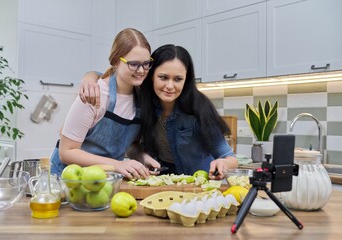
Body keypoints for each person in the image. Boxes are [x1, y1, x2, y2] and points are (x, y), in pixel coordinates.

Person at [80, 44, 238, 180]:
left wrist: (223, 164)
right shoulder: (142, 102)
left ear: (186, 80)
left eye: (178, 79)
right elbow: (132, 145)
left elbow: (230, 157)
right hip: (162, 181)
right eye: (163, 77)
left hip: (199, 185)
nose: (170, 86)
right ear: (151, 76)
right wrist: (90, 77)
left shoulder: (199, 107)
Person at [50, 28, 160, 179]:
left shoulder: (141, 99)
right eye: (133, 64)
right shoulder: (95, 93)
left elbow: (129, 145)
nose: (141, 70)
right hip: (69, 179)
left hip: (104, 180)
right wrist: (117, 165)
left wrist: (142, 158)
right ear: (116, 61)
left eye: (146, 63)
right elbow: (66, 152)